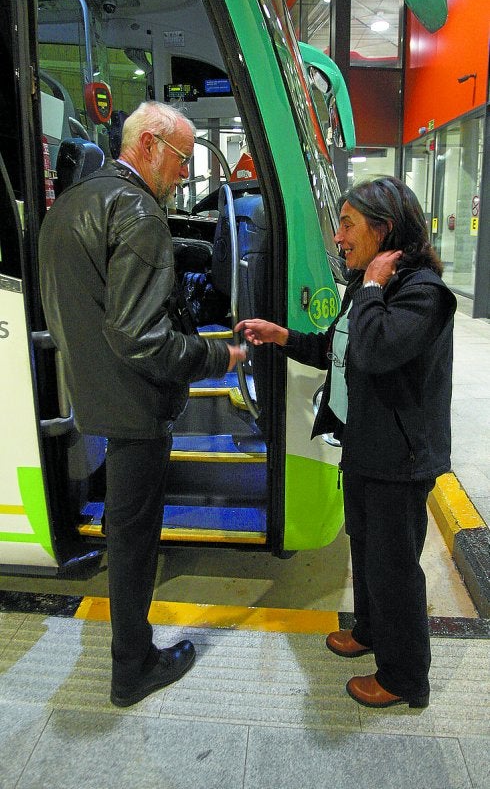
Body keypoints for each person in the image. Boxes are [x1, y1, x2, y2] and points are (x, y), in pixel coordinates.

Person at [39, 100, 245, 707]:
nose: (183, 174)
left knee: (122, 525)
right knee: (135, 537)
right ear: (150, 144)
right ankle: (133, 665)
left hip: (94, 392)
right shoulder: (138, 211)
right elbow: (140, 337)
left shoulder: (73, 202)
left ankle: (130, 647)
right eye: (181, 158)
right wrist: (216, 358)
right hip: (135, 403)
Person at [236, 176, 456, 709]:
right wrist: (283, 336)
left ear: (384, 231)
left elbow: (377, 350)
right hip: (365, 446)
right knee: (366, 551)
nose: (338, 237)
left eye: (348, 225)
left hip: (399, 458)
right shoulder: (367, 288)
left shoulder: (424, 293)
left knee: (394, 567)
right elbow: (341, 350)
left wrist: (376, 286)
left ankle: (406, 678)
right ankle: (370, 632)